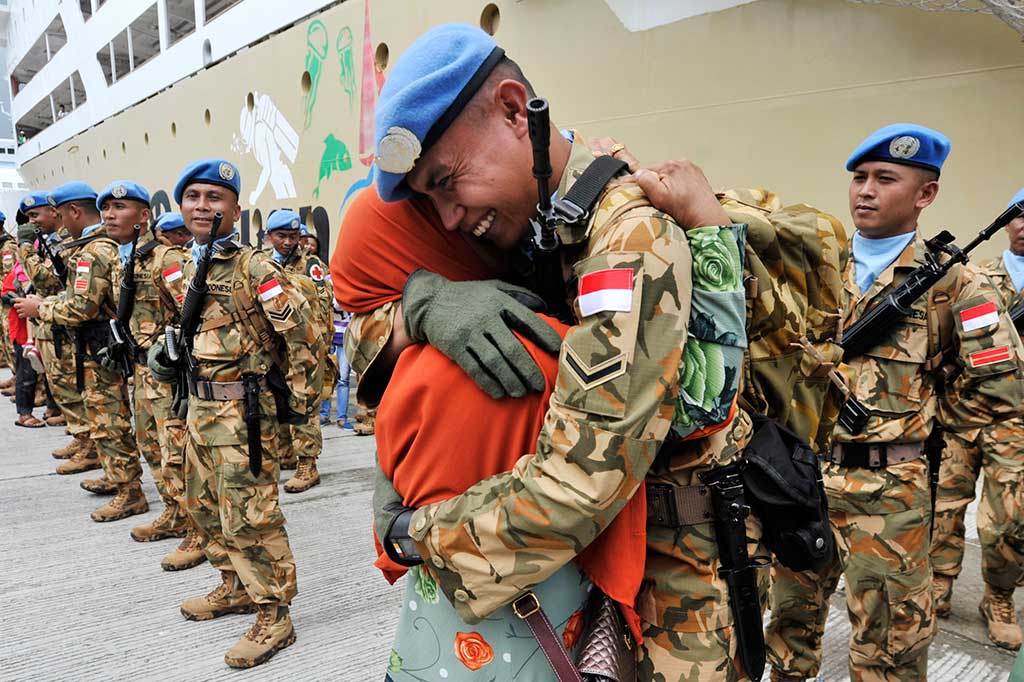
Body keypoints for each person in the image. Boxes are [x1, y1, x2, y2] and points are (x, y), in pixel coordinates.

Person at [349, 23, 763, 680]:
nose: (450, 218)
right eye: (432, 201)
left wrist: (412, 534)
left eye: (447, 182)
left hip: (681, 589)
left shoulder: (628, 242)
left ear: (516, 111)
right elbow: (361, 337)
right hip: (583, 570)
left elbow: (580, 482)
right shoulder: (539, 230)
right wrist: (422, 305)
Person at [766, 125, 1024, 682]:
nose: (866, 190)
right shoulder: (814, 266)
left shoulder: (956, 285)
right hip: (801, 478)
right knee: (787, 629)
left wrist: (932, 417)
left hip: (889, 495)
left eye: (886, 179)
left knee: (891, 647)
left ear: (925, 195)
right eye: (860, 178)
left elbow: (1003, 386)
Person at [146, 159, 324, 668]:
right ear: (182, 207)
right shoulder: (181, 266)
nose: (204, 206)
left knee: (251, 515)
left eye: (215, 198)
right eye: (195, 198)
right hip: (196, 406)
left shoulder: (255, 267)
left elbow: (303, 337)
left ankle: (275, 614)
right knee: (202, 507)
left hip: (243, 412)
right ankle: (234, 585)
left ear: (235, 209)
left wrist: (297, 406)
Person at [15, 182, 147, 522]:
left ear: (74, 212)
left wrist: (41, 307)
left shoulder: (92, 251)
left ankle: (130, 492)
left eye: (60, 215)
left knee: (108, 420)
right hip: (93, 345)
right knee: (101, 417)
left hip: (98, 347)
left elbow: (81, 307)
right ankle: (117, 476)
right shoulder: (92, 246)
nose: (59, 223)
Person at [930, 186, 1024, 651]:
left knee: (1011, 519)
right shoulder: (972, 276)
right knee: (944, 508)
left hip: (1017, 421)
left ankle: (999, 598)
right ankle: (939, 586)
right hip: (961, 412)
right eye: (1018, 214)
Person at [95, 181, 196, 548]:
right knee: (152, 447)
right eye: (106, 208)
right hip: (140, 373)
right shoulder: (128, 259)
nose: (109, 214)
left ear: (144, 216)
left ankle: (199, 530)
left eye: (120, 207)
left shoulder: (167, 259)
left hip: (166, 377)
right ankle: (174, 512)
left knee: (177, 452)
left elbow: (192, 313)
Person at [261, 209, 332, 493]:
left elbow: (323, 307)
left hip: (305, 348)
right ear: (269, 237)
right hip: (275, 350)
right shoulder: (262, 265)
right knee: (277, 402)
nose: (290, 242)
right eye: (282, 236)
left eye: (294, 236)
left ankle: (307, 464)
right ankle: (286, 454)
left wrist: (321, 350)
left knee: (304, 406)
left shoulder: (311, 265)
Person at [2, 258, 57, 427]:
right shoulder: (20, 269)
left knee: (51, 373)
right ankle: (24, 414)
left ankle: (52, 408)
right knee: (26, 374)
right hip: (24, 331)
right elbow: (6, 293)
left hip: (45, 330)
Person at [320, 299, 352, 429]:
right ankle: (324, 415)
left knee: (343, 379)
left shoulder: (351, 284)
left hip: (346, 337)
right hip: (329, 336)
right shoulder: (327, 281)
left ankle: (341, 418)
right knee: (326, 377)